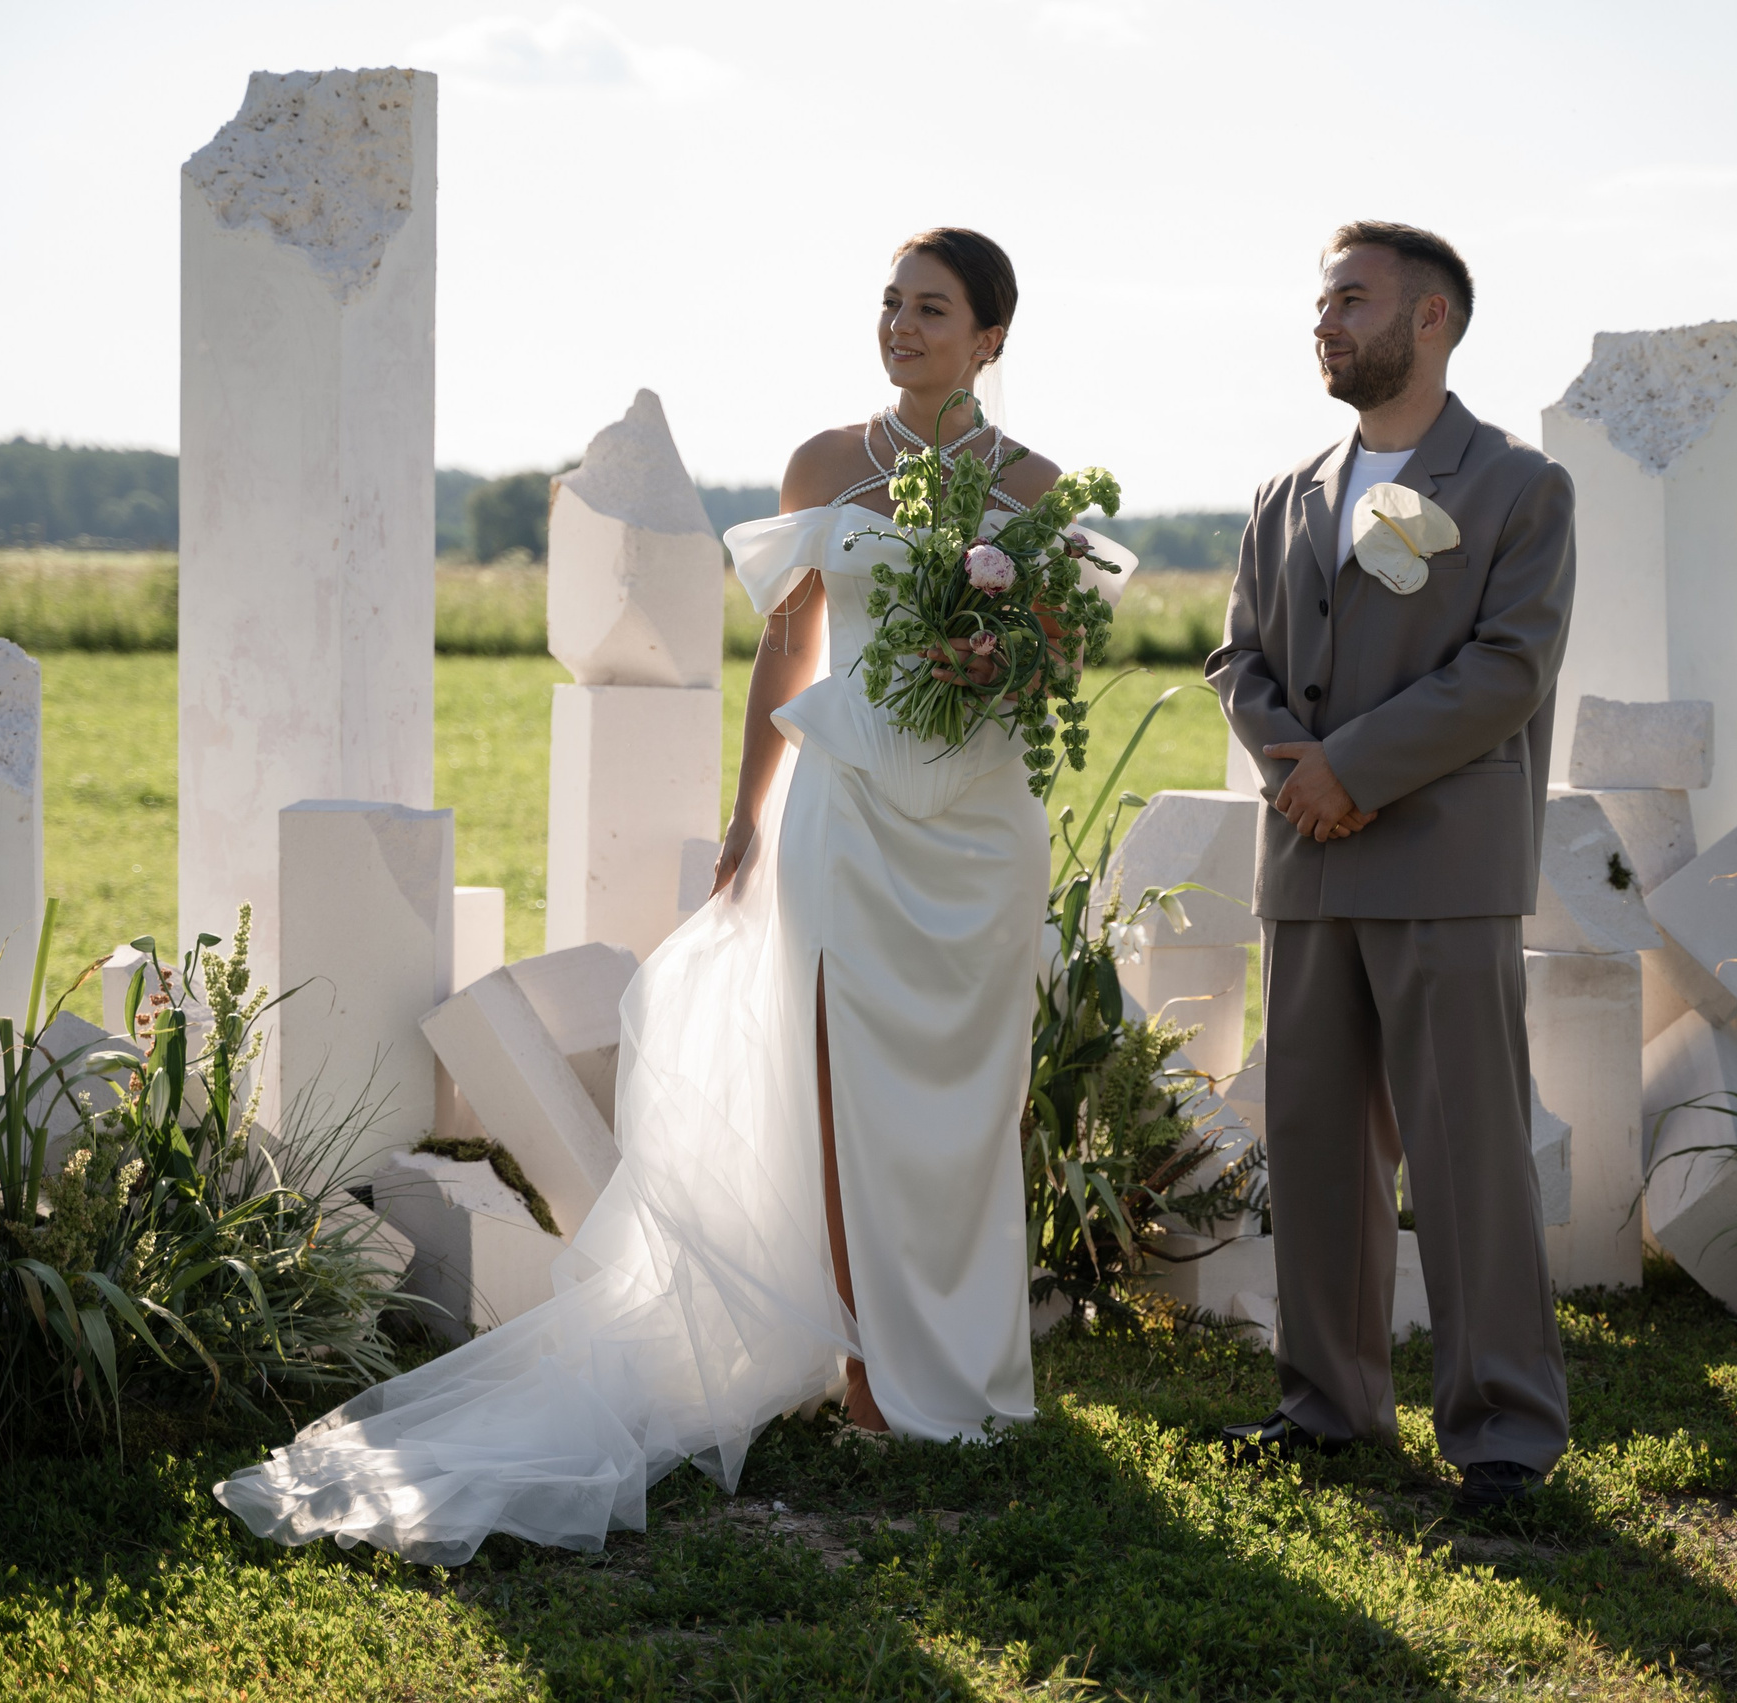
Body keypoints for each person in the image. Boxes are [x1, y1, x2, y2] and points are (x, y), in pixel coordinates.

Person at [213, 228, 1124, 1563]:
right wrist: (749, 816)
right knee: (847, 1085)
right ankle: (873, 1375)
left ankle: (971, 1370)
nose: (902, 326)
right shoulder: (827, 467)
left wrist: (1000, 652)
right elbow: (788, 652)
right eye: (890, 303)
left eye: (932, 310)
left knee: (963, 1108)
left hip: (978, 838)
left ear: (992, 339)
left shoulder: (1041, 491)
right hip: (849, 824)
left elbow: (1055, 666)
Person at [1205, 221, 1576, 1510]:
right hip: (1306, 864)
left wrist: (1349, 770)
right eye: (1320, 300)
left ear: (1432, 320)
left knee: (1466, 1153)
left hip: (1442, 864)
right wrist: (1293, 762)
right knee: (1314, 1146)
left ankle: (1505, 1432)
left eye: (1350, 300)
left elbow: (1507, 671)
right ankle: (1324, 1405)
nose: (1323, 321)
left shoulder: (1520, 488)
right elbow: (1238, 661)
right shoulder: (1284, 493)